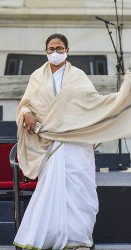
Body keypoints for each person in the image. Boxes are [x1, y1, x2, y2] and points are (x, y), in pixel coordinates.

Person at [14, 33, 131, 249]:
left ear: (67, 50)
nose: (55, 52)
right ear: (45, 51)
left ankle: (77, 240)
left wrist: (121, 98)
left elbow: (92, 105)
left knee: (79, 190)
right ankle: (48, 236)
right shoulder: (36, 77)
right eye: (51, 49)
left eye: (59, 48)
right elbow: (25, 104)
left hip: (77, 141)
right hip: (50, 142)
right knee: (51, 190)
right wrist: (27, 113)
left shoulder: (78, 76)